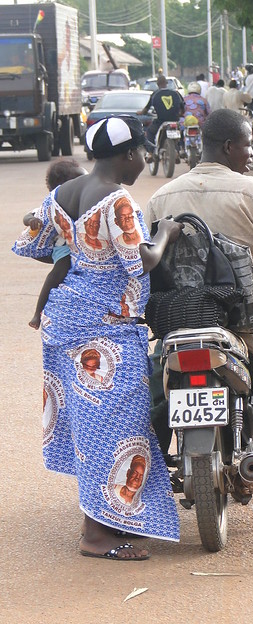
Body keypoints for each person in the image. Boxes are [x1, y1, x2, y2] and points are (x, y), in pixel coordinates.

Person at [12, 115, 183, 561]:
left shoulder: (64, 193)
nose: (145, 161)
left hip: (64, 319)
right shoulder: (119, 199)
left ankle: (108, 520)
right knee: (115, 426)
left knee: (93, 426)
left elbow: (33, 241)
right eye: (143, 153)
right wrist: (165, 233)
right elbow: (142, 260)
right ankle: (96, 534)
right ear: (128, 155)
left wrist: (83, 255)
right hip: (105, 327)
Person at [145, 109, 253, 524]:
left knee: (150, 409)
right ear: (228, 146)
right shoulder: (250, 190)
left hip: (181, 324)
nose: (251, 151)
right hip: (245, 326)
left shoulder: (163, 196)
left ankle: (132, 503)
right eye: (247, 144)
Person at [23, 158, 87, 329]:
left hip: (79, 243)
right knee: (60, 270)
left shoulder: (86, 197)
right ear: (63, 187)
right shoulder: (54, 202)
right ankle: (38, 313)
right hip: (63, 245)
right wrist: (32, 220)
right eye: (79, 179)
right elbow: (28, 215)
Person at [141, 75, 185, 149]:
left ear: (157, 84)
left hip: (161, 121)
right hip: (174, 120)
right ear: (166, 83)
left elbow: (146, 109)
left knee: (150, 132)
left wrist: (141, 112)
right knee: (180, 132)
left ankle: (151, 152)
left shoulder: (155, 94)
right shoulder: (176, 93)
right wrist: (180, 114)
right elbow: (183, 107)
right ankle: (182, 149)